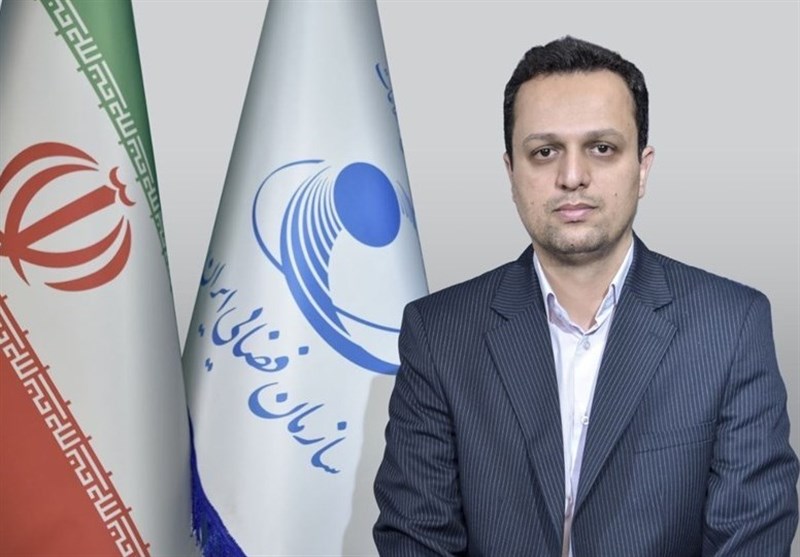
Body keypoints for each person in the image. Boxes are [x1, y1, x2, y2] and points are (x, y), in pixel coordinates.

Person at [373, 36, 799, 556]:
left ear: (642, 168)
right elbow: (417, 539)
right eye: (544, 151)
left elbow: (752, 539)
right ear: (511, 173)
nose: (572, 177)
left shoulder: (731, 326)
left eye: (601, 148)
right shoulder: (438, 333)